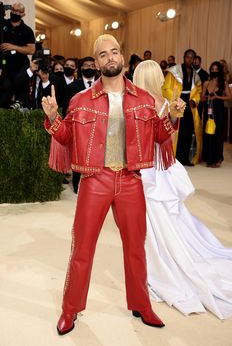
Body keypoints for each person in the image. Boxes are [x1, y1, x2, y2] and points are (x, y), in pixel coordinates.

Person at [42, 34, 185, 335]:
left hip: (131, 181)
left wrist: (173, 115)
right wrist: (54, 118)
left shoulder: (145, 100)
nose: (110, 58)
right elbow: (66, 137)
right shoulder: (80, 101)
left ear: (122, 57)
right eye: (103, 54)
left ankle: (141, 305)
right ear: (96, 62)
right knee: (82, 248)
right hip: (95, 180)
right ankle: (70, 310)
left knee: (136, 248)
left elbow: (162, 136)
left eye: (115, 52)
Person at [133, 60, 232, 319]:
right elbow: (169, 134)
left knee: (152, 216)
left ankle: (156, 265)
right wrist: (174, 117)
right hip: (160, 166)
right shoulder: (164, 101)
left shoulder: (139, 103)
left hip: (147, 167)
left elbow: (153, 136)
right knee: (165, 215)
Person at [162, 49, 202, 166]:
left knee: (189, 130)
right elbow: (166, 88)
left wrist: (194, 101)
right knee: (178, 130)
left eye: (192, 57)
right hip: (177, 102)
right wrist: (175, 99)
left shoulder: (196, 75)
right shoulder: (174, 72)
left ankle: (185, 158)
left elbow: (198, 91)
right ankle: (176, 157)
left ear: (194, 59)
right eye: (187, 57)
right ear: (184, 58)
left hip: (189, 104)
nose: (190, 59)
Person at [67, 56, 100, 194]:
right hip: (79, 127)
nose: (89, 68)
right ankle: (76, 185)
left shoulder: (101, 84)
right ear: (81, 68)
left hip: (98, 126)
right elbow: (67, 108)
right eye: (86, 65)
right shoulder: (73, 86)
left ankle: (96, 184)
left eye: (92, 65)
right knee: (78, 154)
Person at [201, 61, 232, 167]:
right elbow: (202, 99)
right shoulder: (206, 83)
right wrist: (205, 98)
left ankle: (218, 159)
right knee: (209, 134)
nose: (214, 71)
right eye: (212, 69)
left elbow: (230, 97)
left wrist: (217, 97)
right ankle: (209, 159)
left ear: (219, 70)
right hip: (208, 111)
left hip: (219, 111)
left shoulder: (223, 83)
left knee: (218, 135)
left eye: (216, 69)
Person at [0, 2, 35, 83]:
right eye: (13, 10)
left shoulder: (27, 30)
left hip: (21, 69)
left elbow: (31, 50)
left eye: (18, 11)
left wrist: (13, 47)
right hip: (4, 69)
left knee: (22, 94)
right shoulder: (2, 24)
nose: (15, 12)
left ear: (23, 14)